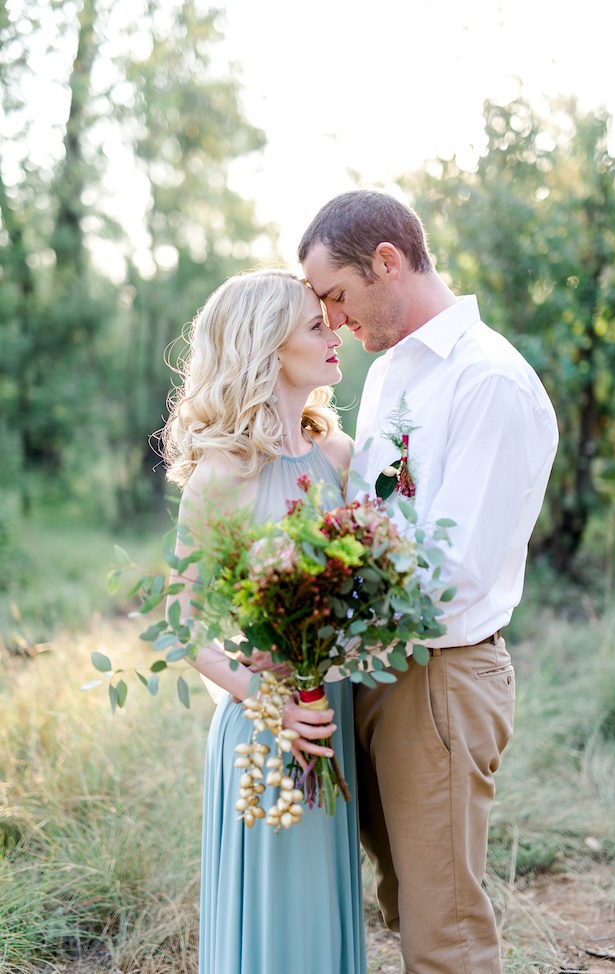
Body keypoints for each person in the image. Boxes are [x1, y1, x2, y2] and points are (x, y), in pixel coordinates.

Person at [299, 191, 559, 974]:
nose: (334, 321)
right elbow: (371, 516)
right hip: (375, 669)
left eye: (336, 296)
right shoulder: (389, 378)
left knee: (444, 930)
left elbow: (454, 573)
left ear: (388, 262)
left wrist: (328, 611)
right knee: (403, 899)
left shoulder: (489, 383)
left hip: (440, 677)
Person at [162, 270, 367, 974]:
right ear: (269, 348)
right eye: (316, 325)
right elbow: (180, 627)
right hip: (265, 728)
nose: (334, 331)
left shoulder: (339, 458)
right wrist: (267, 700)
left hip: (330, 711)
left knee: (321, 919)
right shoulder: (221, 474)